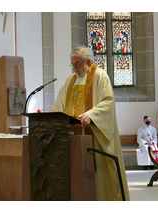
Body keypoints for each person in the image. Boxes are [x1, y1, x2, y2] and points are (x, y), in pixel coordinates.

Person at [50, 46, 130, 201]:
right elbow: (59, 105)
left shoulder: (100, 76)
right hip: (72, 140)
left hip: (94, 138)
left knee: (100, 182)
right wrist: (52, 117)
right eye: (72, 64)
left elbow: (107, 102)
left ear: (88, 61)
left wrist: (91, 115)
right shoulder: (70, 80)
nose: (74, 68)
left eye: (78, 64)